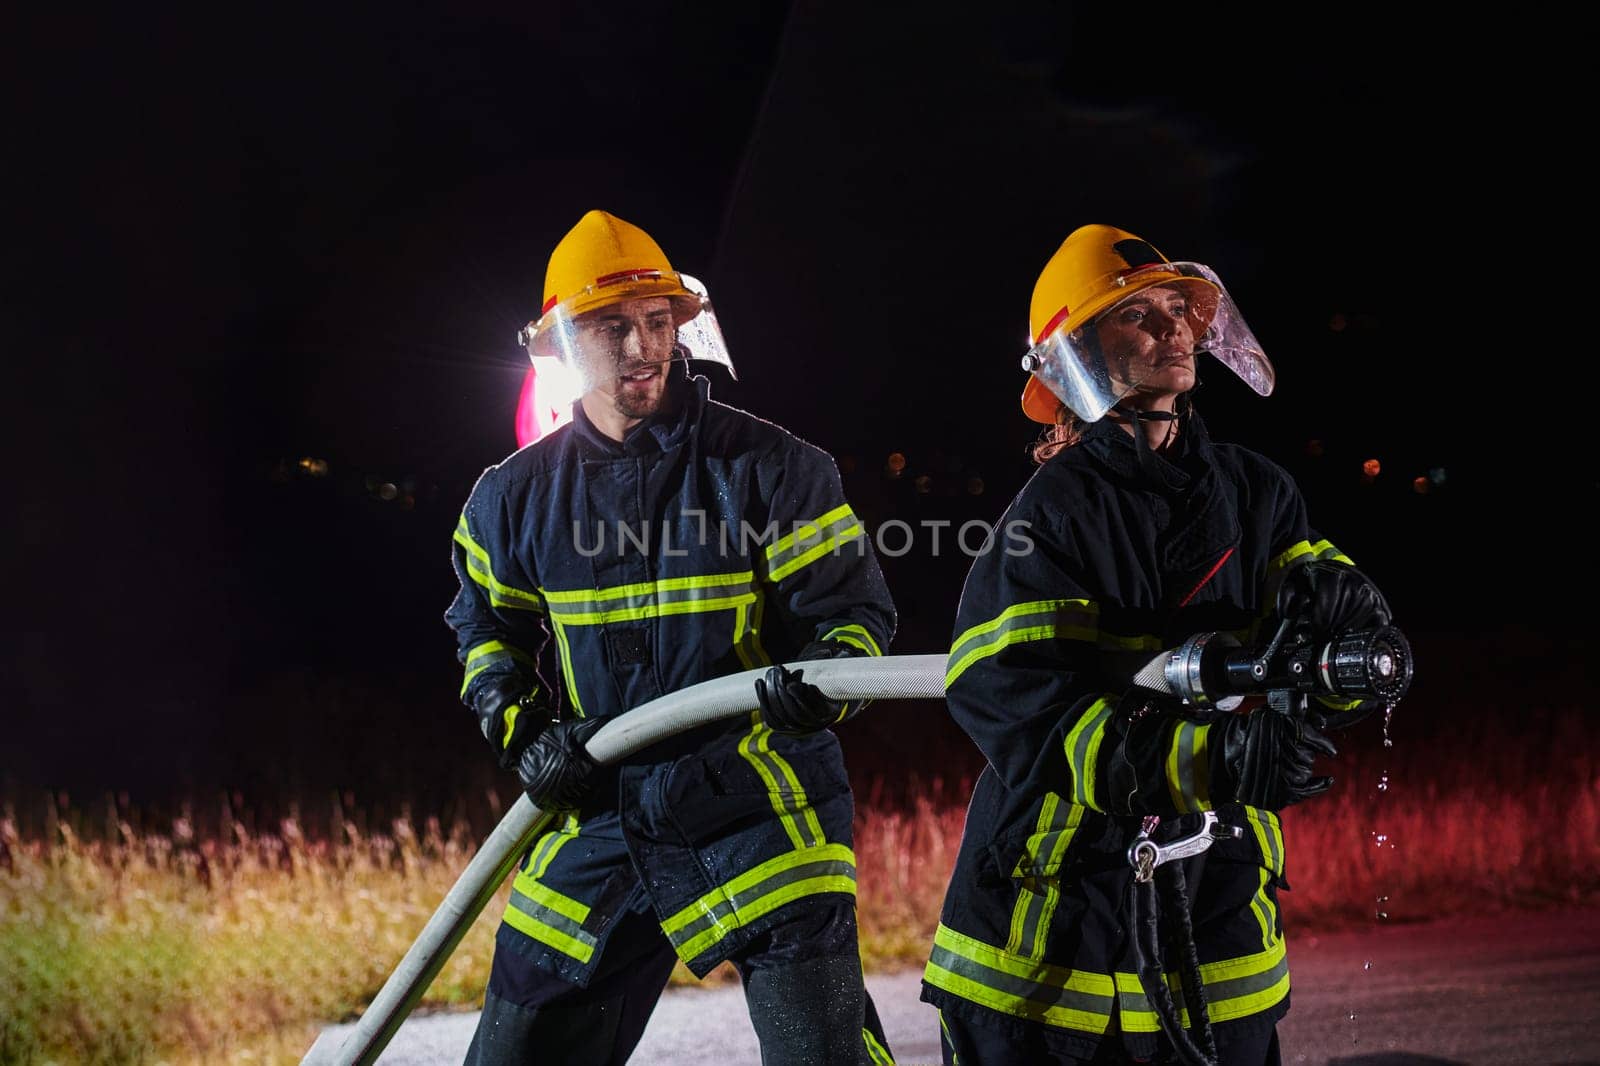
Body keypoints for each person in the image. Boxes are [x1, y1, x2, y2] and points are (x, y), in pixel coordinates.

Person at [920, 224, 1393, 1064]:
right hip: (1052, 924)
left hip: (1216, 906)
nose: (1175, 329)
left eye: (1181, 310)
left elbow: (1317, 637)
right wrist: (1211, 760)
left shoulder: (1255, 492)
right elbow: (1011, 695)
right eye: (1141, 315)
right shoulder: (1052, 512)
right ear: (1082, 351)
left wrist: (1352, 640)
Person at [445, 209, 899, 1065]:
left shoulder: (773, 469)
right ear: (562, 346)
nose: (642, 346)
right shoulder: (512, 499)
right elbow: (484, 629)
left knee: (821, 1050)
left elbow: (855, 618)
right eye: (614, 327)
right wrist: (529, 733)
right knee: (516, 1048)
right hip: (603, 805)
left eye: (658, 322)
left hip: (761, 801)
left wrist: (822, 688)